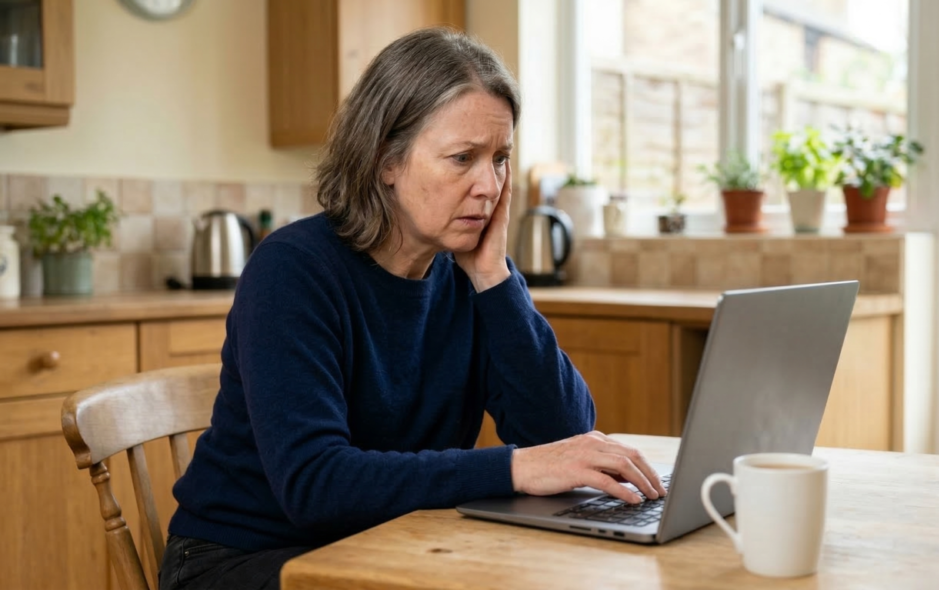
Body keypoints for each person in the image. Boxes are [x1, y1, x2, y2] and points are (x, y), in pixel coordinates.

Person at [158, 27, 666, 590]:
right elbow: (315, 484)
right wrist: (514, 466)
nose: (488, 185)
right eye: (461, 158)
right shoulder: (292, 270)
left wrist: (496, 280)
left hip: (384, 541)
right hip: (240, 560)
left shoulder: (471, 275)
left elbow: (563, 434)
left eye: (500, 159)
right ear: (385, 161)